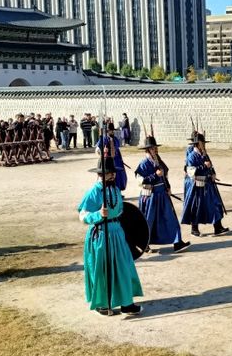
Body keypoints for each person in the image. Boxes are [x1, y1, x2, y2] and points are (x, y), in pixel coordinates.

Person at [78, 155, 143, 316]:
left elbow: (120, 210)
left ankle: (126, 303)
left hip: (117, 234)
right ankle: (102, 303)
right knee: (103, 270)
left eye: (113, 172)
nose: (113, 175)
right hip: (101, 235)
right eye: (109, 172)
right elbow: (82, 215)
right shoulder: (93, 192)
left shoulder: (115, 189)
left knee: (123, 267)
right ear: (101, 174)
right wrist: (98, 215)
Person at [135, 136, 189, 253]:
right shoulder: (143, 164)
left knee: (171, 218)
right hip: (151, 197)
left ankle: (177, 242)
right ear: (147, 150)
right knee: (149, 221)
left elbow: (164, 177)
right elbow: (141, 181)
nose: (155, 150)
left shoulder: (159, 162)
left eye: (155, 148)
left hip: (163, 195)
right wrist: (155, 175)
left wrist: (168, 187)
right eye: (152, 148)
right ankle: (144, 243)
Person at [181, 133, 227, 237]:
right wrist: (203, 166)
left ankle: (218, 227)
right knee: (196, 207)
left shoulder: (204, 154)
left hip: (208, 184)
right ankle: (194, 229)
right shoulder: (192, 156)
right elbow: (190, 171)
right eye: (202, 143)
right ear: (198, 144)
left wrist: (213, 173)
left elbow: (210, 165)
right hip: (197, 186)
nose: (204, 145)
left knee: (215, 204)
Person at [95, 123, 127, 191]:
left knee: (118, 177)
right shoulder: (103, 139)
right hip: (108, 161)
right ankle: (108, 192)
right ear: (107, 131)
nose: (112, 132)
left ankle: (117, 192)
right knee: (108, 177)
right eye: (110, 130)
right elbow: (97, 149)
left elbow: (117, 149)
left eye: (113, 130)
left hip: (117, 161)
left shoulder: (115, 139)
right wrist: (103, 152)